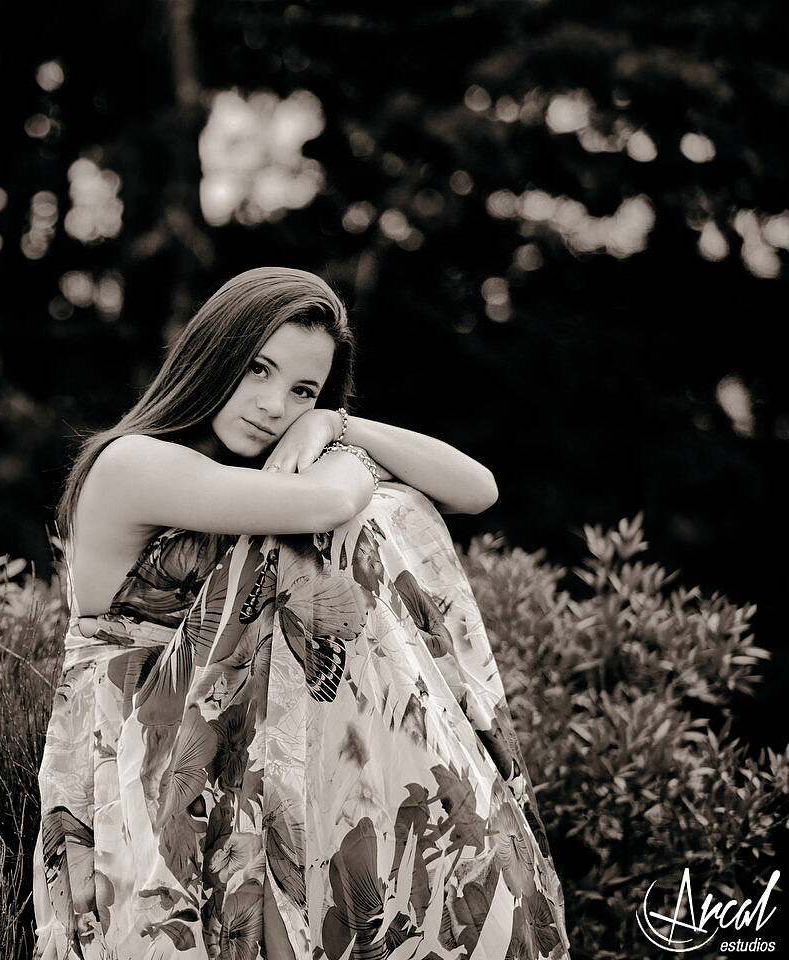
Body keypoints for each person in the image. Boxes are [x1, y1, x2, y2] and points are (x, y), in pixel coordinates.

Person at [30, 267, 570, 960]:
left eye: (301, 390)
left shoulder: (258, 476)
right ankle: (443, 814)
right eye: (257, 369)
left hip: (257, 756)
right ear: (212, 354)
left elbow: (479, 489)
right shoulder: (131, 463)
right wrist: (348, 459)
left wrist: (337, 424)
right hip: (141, 776)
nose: (271, 404)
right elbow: (323, 506)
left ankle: (428, 822)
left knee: (384, 515)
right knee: (337, 531)